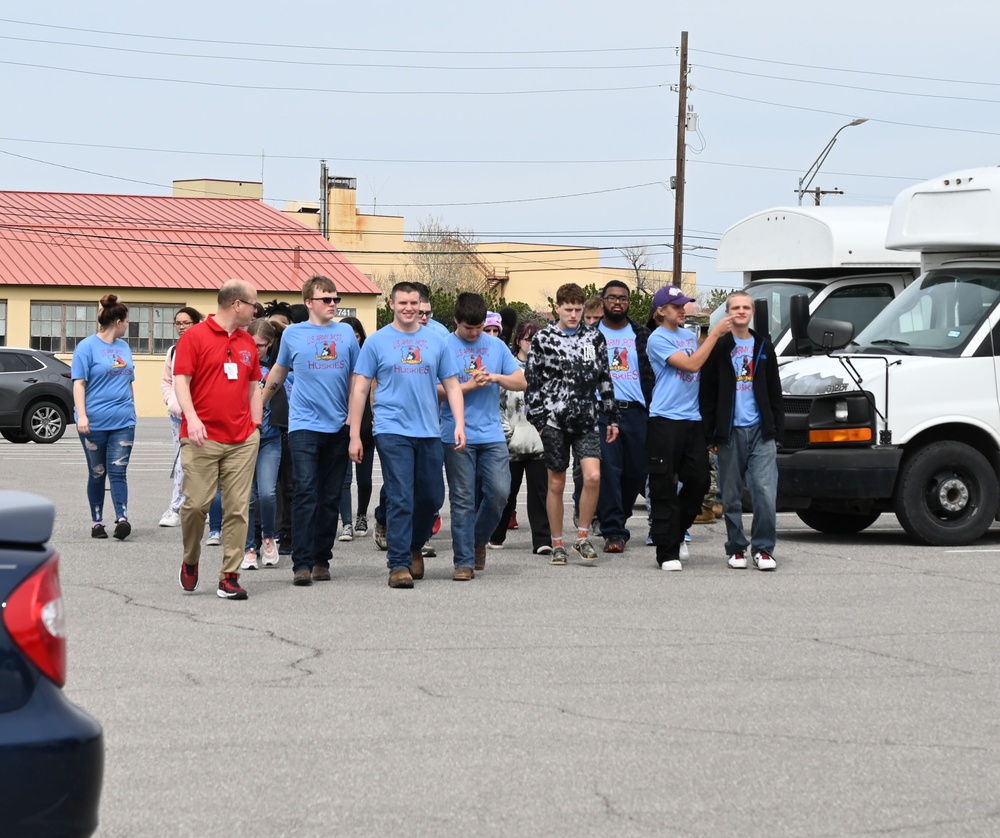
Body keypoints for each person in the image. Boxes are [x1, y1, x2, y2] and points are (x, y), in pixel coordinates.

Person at [348, 281, 466, 589]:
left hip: (428, 430)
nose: (409, 308)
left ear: (421, 305)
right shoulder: (377, 342)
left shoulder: (437, 341)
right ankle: (398, 564)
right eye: (403, 303)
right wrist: (355, 434)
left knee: (431, 497)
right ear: (391, 304)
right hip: (391, 428)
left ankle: (415, 545)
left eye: (414, 303)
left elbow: (452, 385)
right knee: (401, 496)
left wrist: (459, 424)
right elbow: (360, 387)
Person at [263, 275, 359, 586]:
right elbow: (279, 370)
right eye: (326, 299)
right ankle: (301, 563)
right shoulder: (293, 334)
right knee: (305, 489)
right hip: (303, 423)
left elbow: (359, 378)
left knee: (330, 495)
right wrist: (260, 402)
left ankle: (321, 559)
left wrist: (354, 421)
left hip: (339, 424)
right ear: (309, 303)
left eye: (336, 299)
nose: (333, 304)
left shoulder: (345, 333)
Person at [174, 280, 262, 601]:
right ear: (237, 304)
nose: (257, 310)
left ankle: (229, 576)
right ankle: (191, 558)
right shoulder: (194, 337)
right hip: (201, 438)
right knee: (196, 505)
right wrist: (193, 418)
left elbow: (254, 387)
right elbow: (181, 382)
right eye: (253, 304)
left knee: (238, 509)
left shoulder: (247, 342)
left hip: (242, 439)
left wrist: (256, 425)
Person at [525, 282, 619, 565]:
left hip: (587, 418)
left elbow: (605, 377)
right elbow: (532, 382)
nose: (574, 315)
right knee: (556, 482)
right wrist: (539, 420)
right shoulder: (543, 338)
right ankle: (557, 543)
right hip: (554, 420)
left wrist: (612, 415)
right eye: (569, 309)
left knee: (593, 476)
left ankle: (581, 537)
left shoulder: (594, 338)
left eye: (578, 309)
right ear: (557, 308)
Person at [439, 293, 525, 579]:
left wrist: (496, 378)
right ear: (456, 321)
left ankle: (477, 539)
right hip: (456, 431)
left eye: (478, 328)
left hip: (492, 433)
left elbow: (521, 381)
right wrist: (468, 386)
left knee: (500, 493)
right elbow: (436, 391)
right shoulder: (444, 346)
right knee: (462, 499)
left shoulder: (497, 346)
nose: (474, 333)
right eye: (468, 328)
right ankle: (463, 561)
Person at [646, 285, 731, 571]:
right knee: (664, 486)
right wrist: (716, 333)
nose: (683, 310)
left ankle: (677, 532)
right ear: (661, 311)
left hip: (692, 419)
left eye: (684, 305)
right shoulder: (658, 339)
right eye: (677, 306)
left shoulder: (689, 336)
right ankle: (666, 551)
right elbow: (692, 365)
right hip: (665, 419)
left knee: (699, 482)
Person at [700, 291, 784, 571]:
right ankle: (736, 548)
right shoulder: (720, 346)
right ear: (728, 312)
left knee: (764, 491)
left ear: (752, 313)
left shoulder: (763, 346)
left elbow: (775, 391)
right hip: (729, 431)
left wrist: (777, 430)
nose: (741, 311)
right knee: (731, 495)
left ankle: (763, 549)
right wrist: (711, 434)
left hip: (761, 431)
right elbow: (708, 393)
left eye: (746, 307)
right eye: (735, 307)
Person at [593, 281, 655, 554]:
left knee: (635, 473)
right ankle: (614, 531)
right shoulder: (590, 335)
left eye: (623, 299)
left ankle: (619, 517)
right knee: (609, 471)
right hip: (603, 412)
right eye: (612, 298)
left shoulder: (643, 334)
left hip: (638, 411)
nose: (618, 302)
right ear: (603, 301)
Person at [72, 294, 136, 541]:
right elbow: (79, 384)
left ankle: (122, 519)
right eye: (127, 321)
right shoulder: (86, 347)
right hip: (93, 422)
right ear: (118, 321)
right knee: (97, 471)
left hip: (123, 421)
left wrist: (132, 407)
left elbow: (129, 380)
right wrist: (82, 416)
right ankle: (97, 522)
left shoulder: (124, 347)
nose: (128, 325)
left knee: (118, 471)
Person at [490, 319, 551, 555]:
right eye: (528, 338)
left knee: (540, 493)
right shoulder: (509, 367)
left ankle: (542, 540)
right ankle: (496, 535)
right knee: (506, 492)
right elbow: (499, 403)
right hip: (511, 441)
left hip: (540, 441)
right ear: (518, 340)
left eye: (536, 339)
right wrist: (507, 433)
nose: (532, 343)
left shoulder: (547, 367)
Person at [240, 318, 286, 570]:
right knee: (247, 498)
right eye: (252, 344)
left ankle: (268, 537)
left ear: (270, 345)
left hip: (270, 439)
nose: (255, 349)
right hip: (242, 441)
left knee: (267, 493)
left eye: (261, 345)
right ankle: (249, 546)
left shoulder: (277, 368)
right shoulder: (237, 366)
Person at [159, 306, 203, 528]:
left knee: (205, 462)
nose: (182, 327)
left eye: (187, 322)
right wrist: (171, 402)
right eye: (178, 323)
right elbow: (167, 381)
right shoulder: (173, 351)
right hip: (178, 416)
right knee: (181, 462)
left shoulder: (203, 347)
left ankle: (202, 508)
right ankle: (175, 507)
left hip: (202, 415)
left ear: (196, 323)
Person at [336, 316, 374, 542]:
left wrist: (377, 416)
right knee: (343, 479)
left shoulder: (369, 361)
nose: (352, 340)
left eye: (356, 336)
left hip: (367, 426)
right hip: (342, 424)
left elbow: (376, 392)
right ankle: (347, 522)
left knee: (365, 479)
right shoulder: (337, 362)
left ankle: (361, 515)